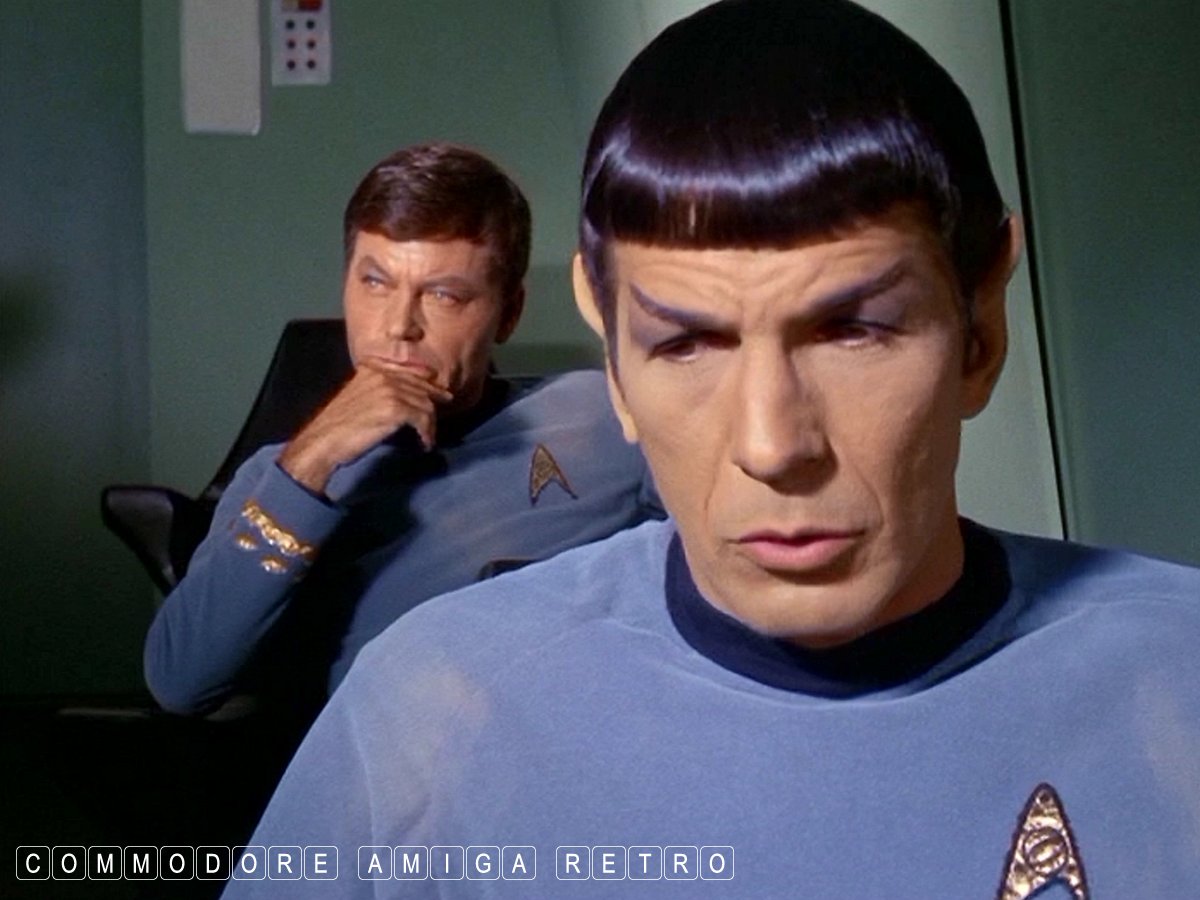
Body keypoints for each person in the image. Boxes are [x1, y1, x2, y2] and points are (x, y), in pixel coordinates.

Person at [222, 2, 1200, 897]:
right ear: (612, 353)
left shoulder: (1178, 682)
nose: (772, 446)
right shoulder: (427, 713)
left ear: (981, 328)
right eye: (685, 343)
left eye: (854, 331)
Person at [144, 142, 662, 720]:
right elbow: (179, 680)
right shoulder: (282, 479)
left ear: (509, 312)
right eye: (375, 283)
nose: (398, 326)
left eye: (443, 295)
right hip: (379, 765)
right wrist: (312, 460)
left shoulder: (599, 415)